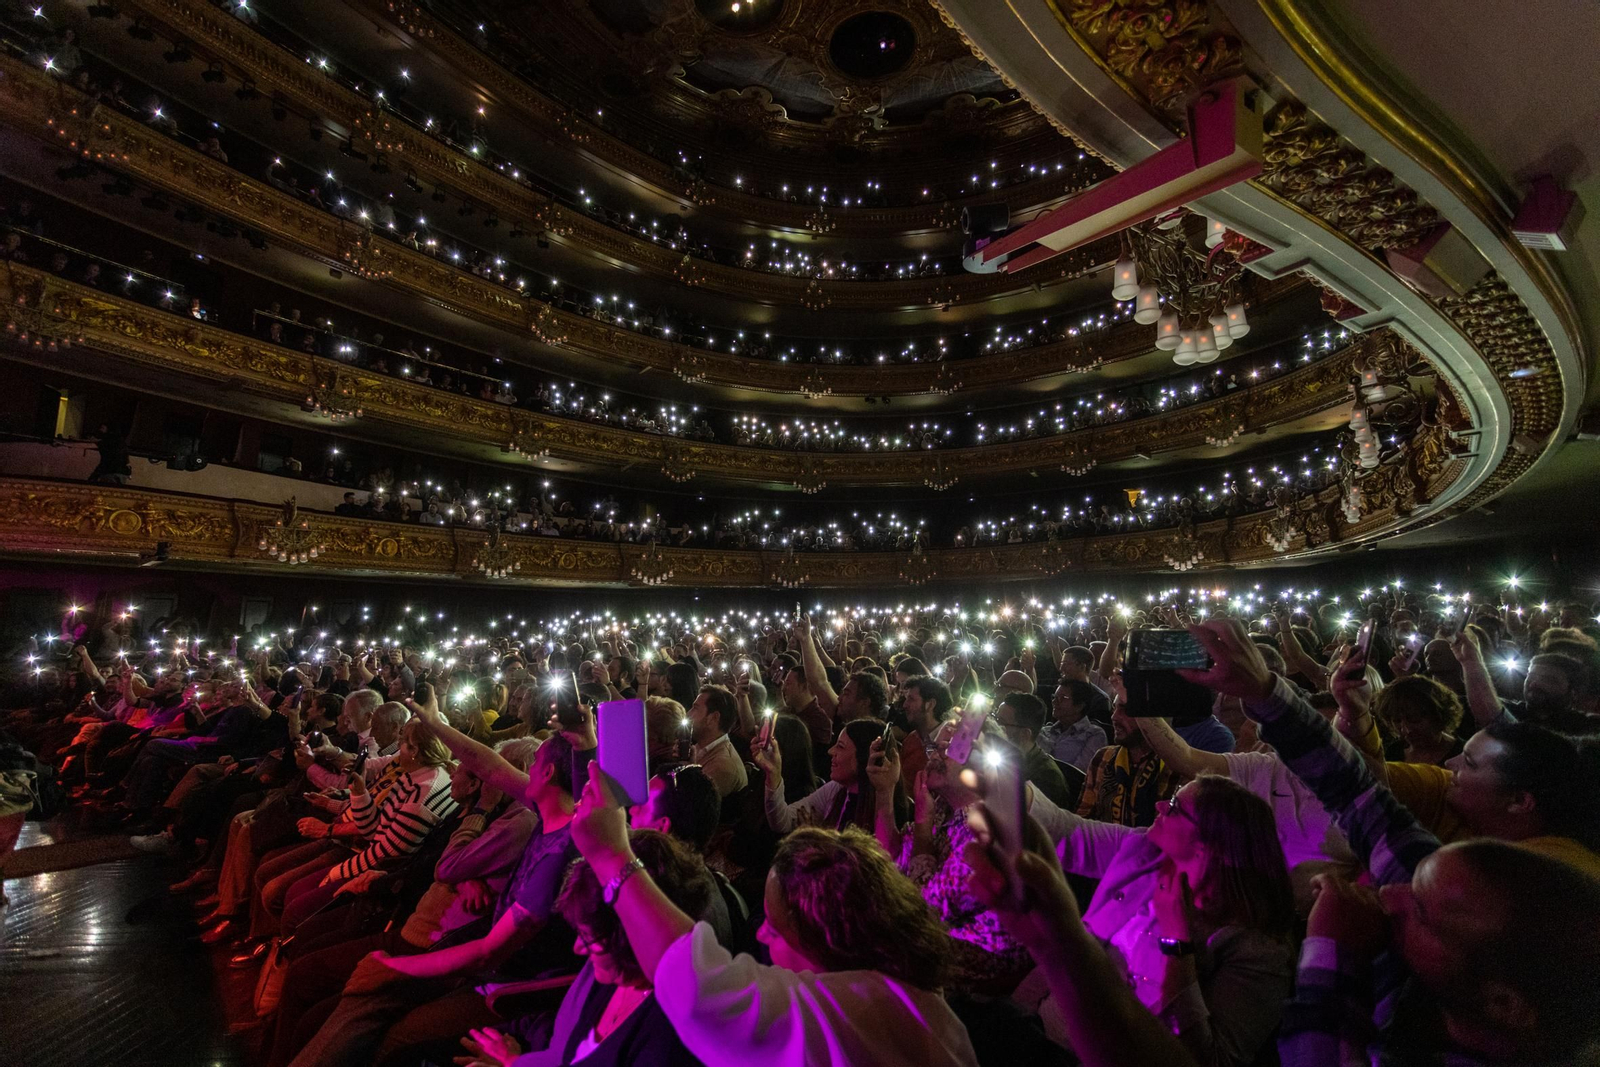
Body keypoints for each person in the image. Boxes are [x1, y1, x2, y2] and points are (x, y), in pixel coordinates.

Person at [1179, 617, 1600, 1065]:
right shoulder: (1465, 888)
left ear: (1505, 1005)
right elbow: (1356, 793)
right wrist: (1264, 691)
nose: (1391, 894)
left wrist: (1333, 951)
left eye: (1421, 910)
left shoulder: (1512, 913)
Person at [567, 770, 980, 1066]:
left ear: (827, 937)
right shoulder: (912, 1000)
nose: (761, 934)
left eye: (775, 925)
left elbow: (699, 988)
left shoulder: (864, 1013)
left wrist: (612, 855)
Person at [1023, 772, 1297, 1065]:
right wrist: (1005, 782)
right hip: (1046, 1027)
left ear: (1209, 846)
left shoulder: (1258, 950)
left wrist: (1177, 943)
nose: (1160, 805)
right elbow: (1071, 834)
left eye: (1176, 806)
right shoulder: (1146, 851)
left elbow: (1213, 1060)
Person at [453, 830, 712, 1067]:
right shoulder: (602, 972)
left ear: (632, 938)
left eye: (591, 938)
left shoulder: (667, 1040)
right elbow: (561, 1048)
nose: (579, 948)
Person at [758, 718, 895, 834]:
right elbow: (783, 821)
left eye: (840, 747)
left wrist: (816, 841)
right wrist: (773, 773)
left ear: (864, 756)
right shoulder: (836, 789)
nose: (831, 751)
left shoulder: (885, 804)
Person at [1077, 697, 1180, 828]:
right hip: (1105, 845)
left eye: (1126, 710)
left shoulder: (1176, 768)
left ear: (1154, 719)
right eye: (1114, 708)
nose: (1114, 717)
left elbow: (1172, 838)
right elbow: (1082, 818)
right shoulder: (1103, 757)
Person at [994, 693, 1072, 810]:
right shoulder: (1000, 757)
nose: (994, 726)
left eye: (1001, 723)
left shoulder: (1046, 778)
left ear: (1024, 734)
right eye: (995, 718)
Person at [1374, 676, 1465, 766]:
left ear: (1438, 715)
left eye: (1414, 720)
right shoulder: (1394, 753)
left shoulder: (1463, 754)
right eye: (1397, 721)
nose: (1406, 730)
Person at [686, 684, 747, 799]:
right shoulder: (703, 745)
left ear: (714, 718)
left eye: (695, 708)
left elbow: (690, 804)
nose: (688, 714)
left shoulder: (723, 767)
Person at [1037, 679, 1109, 772]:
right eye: (1054, 697)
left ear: (1079, 706)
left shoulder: (1093, 734)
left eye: (1063, 698)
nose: (1055, 702)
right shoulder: (1044, 731)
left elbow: (1079, 774)